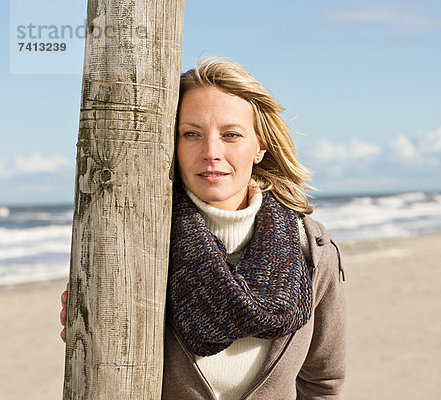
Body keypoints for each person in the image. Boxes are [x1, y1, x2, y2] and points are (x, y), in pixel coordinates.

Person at [60, 57, 346, 399]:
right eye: (191, 134)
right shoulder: (136, 245)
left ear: (260, 147)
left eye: (231, 135)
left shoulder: (311, 250)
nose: (211, 152)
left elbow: (323, 382)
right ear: (173, 145)